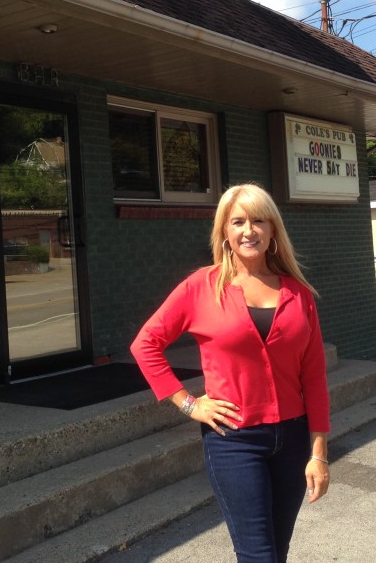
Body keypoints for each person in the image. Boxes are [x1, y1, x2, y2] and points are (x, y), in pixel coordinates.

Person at [130, 183, 330, 563]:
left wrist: (318, 453)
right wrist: (189, 404)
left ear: (273, 230)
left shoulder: (298, 293)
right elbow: (145, 344)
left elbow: (315, 378)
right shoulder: (199, 287)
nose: (248, 230)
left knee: (277, 551)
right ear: (224, 231)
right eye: (237, 221)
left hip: (293, 440)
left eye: (258, 221)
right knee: (258, 556)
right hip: (234, 441)